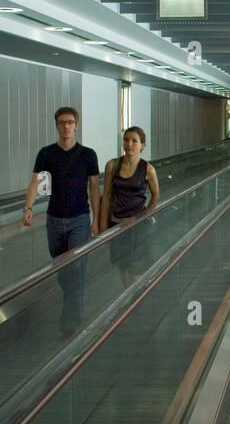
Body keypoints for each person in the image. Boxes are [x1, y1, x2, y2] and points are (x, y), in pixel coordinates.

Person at [24, 107, 100, 334]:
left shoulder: (88, 154)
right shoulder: (46, 153)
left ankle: (70, 319)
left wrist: (96, 220)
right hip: (54, 220)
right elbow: (35, 182)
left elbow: (94, 188)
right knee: (61, 269)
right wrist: (27, 207)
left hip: (79, 219)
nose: (65, 126)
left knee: (75, 267)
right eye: (61, 123)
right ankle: (73, 303)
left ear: (76, 125)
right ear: (57, 126)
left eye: (69, 122)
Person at [99, 126, 160, 285]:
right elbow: (106, 196)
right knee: (122, 265)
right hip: (117, 224)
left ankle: (134, 301)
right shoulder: (112, 165)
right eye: (126, 140)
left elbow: (156, 194)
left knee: (136, 267)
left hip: (137, 227)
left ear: (142, 145)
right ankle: (127, 296)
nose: (129, 144)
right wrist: (103, 226)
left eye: (134, 141)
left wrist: (146, 215)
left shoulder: (148, 169)